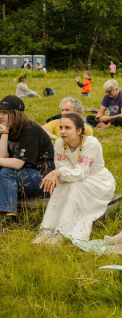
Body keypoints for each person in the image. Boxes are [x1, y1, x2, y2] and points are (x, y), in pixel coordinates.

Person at [34, 114, 116, 244]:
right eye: (61, 127)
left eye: (67, 127)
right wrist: (58, 173)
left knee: (74, 186)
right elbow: (63, 168)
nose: (62, 131)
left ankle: (63, 232)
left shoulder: (92, 143)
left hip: (97, 181)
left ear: (79, 131)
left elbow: (81, 172)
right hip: (74, 178)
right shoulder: (60, 143)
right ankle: (47, 230)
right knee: (61, 187)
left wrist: (58, 173)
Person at [0, 96, 55, 225]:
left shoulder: (30, 130)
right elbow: (2, 156)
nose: (1, 116)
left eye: (5, 113)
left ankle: (10, 218)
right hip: (23, 177)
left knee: (7, 172)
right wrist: (4, 131)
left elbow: (18, 164)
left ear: (16, 114)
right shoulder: (11, 128)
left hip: (43, 180)